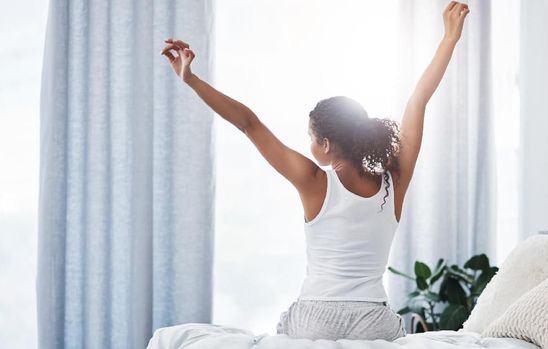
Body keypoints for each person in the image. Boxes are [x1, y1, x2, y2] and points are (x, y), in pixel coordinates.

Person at [160, 0, 469, 341]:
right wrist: (449, 39)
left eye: (310, 137)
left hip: (315, 317)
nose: (307, 143)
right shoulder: (393, 181)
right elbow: (418, 101)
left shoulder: (314, 181)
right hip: (373, 319)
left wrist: (191, 80)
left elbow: (249, 124)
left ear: (325, 144)